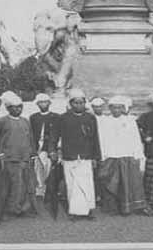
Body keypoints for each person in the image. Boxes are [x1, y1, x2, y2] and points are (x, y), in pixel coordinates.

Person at [97, 95, 153, 216]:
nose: (116, 110)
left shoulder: (130, 121)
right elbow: (101, 139)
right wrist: (103, 155)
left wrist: (137, 154)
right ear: (110, 108)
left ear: (123, 108)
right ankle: (113, 207)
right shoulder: (105, 121)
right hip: (111, 155)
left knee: (131, 182)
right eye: (114, 108)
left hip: (128, 155)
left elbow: (135, 138)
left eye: (119, 108)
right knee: (111, 181)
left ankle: (132, 207)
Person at [50, 88, 102, 220]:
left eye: (81, 103)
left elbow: (95, 138)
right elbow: (54, 136)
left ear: (85, 103)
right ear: (71, 104)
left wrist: (96, 157)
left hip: (86, 156)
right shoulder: (63, 118)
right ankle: (74, 212)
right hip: (70, 156)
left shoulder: (90, 118)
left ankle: (87, 211)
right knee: (72, 184)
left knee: (87, 184)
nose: (79, 105)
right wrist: (53, 151)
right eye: (76, 103)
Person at [0, 91, 37, 223]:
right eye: (14, 107)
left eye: (20, 107)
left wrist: (32, 154)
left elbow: (30, 139)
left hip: (23, 159)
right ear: (8, 108)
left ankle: (18, 209)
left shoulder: (25, 121)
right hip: (7, 160)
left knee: (22, 186)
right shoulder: (1, 121)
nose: (18, 109)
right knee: (3, 187)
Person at [29, 93, 60, 198]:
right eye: (40, 102)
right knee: (37, 167)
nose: (43, 104)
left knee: (48, 167)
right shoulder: (33, 117)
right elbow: (31, 133)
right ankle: (40, 188)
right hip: (37, 147)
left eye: (45, 102)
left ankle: (47, 188)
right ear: (37, 104)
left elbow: (58, 134)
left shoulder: (55, 117)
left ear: (49, 103)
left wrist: (55, 148)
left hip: (49, 147)